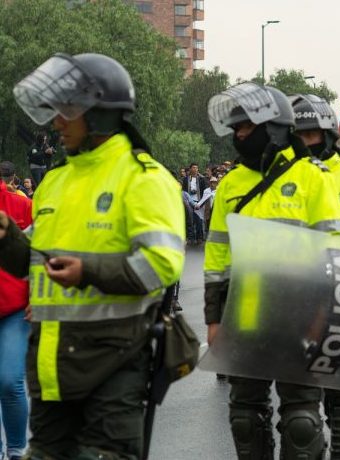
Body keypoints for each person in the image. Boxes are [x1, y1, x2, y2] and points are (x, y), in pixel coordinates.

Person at [4, 52, 185, 459]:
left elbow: (162, 264)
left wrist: (88, 271)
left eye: (67, 110)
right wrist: (5, 238)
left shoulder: (143, 177)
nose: (57, 122)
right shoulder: (55, 180)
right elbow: (36, 260)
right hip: (50, 367)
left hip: (114, 364)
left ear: (100, 113)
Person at [204, 82, 340, 459]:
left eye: (246, 127)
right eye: (236, 129)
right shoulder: (230, 184)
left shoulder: (313, 178)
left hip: (303, 315)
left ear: (274, 127)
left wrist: (326, 318)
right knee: (244, 418)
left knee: (301, 421)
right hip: (245, 316)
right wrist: (213, 317)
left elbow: (335, 254)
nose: (239, 135)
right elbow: (218, 257)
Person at [291, 93, 340, 459]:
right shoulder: (281, 175)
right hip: (291, 299)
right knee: (299, 413)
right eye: (298, 134)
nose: (306, 142)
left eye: (312, 134)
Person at [0, 162, 33, 460]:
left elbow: (41, 250)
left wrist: (39, 292)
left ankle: (15, 449)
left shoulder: (19, 204)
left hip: (13, 309)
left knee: (9, 380)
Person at [182, 163, 208, 244]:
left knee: (199, 220)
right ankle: (190, 238)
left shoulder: (201, 179)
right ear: (190, 169)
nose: (195, 169)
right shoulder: (186, 179)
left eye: (197, 168)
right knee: (189, 220)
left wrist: (202, 203)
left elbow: (204, 191)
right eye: (193, 167)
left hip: (199, 202)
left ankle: (199, 237)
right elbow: (184, 191)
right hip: (188, 202)